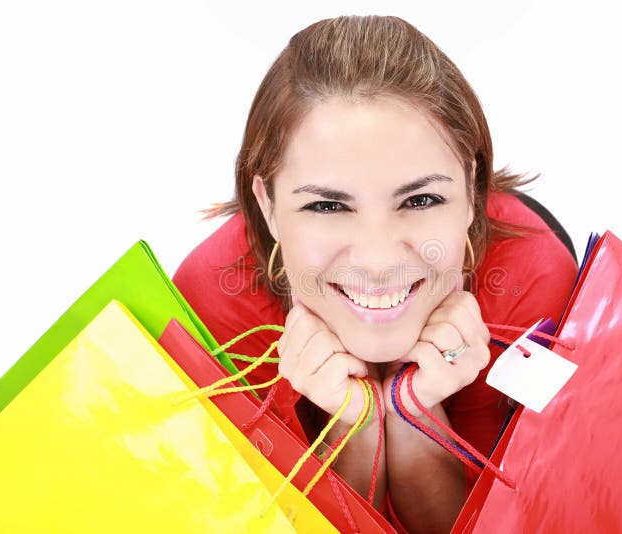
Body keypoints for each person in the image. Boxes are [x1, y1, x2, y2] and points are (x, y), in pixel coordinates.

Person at [173, 15, 578, 533]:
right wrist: (354, 425)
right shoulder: (210, 306)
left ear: (472, 190)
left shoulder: (532, 280)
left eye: (421, 199)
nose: (378, 260)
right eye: (326, 206)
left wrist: (414, 414)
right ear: (268, 204)